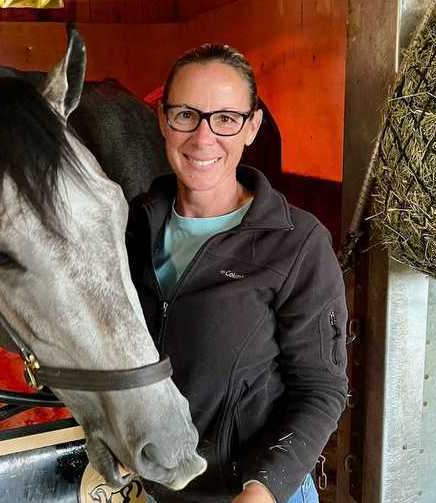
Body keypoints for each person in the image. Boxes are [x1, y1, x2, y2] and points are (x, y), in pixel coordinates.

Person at [126, 44, 348, 503]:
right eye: (186, 114)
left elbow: (321, 389)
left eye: (225, 118)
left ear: (252, 127)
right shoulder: (131, 228)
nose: (203, 138)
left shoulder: (296, 243)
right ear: (162, 121)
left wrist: (263, 490)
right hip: (153, 492)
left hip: (251, 493)